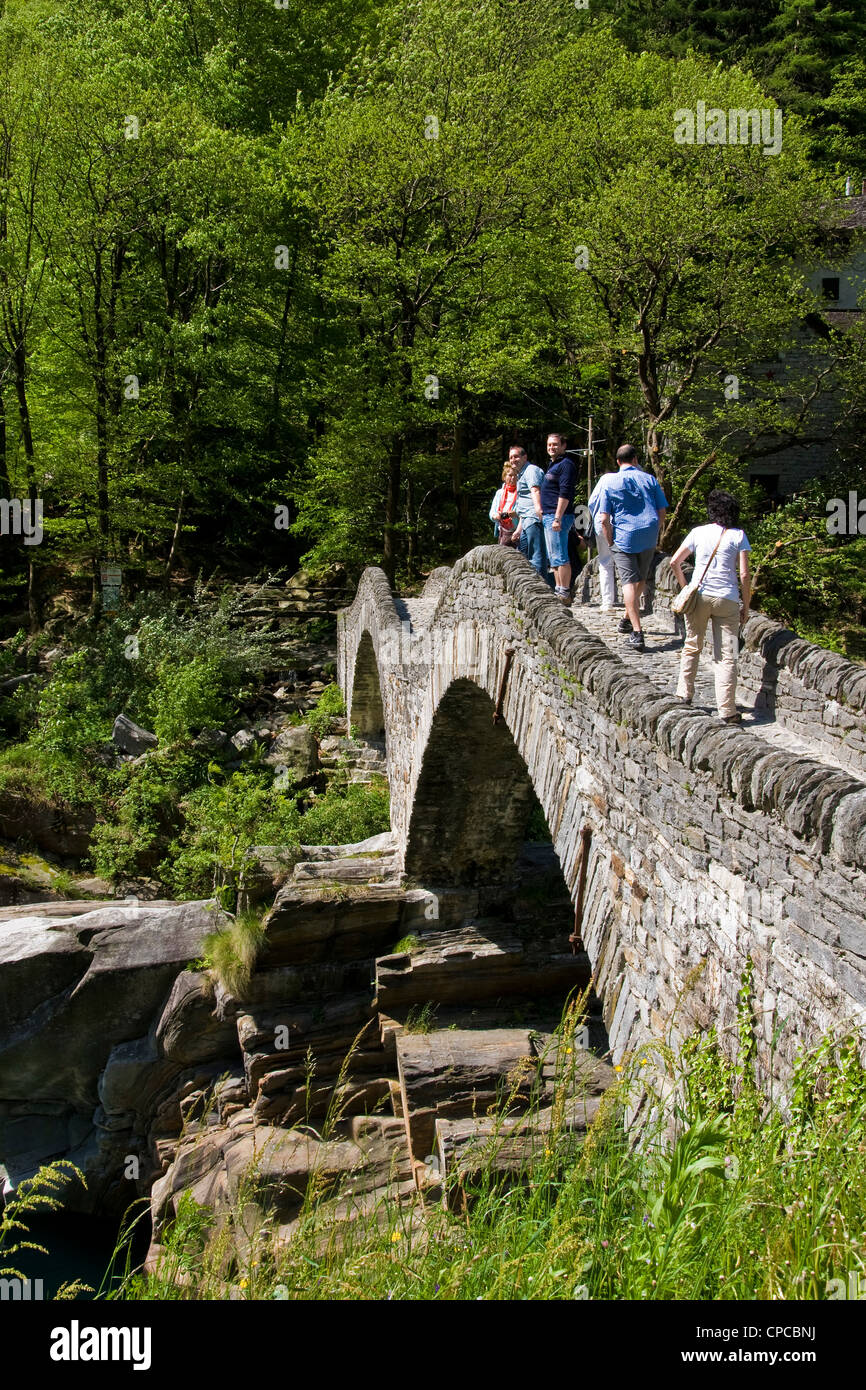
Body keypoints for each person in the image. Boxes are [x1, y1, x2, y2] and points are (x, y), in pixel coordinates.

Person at [670, 489, 751, 724]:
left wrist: (687, 587)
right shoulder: (739, 536)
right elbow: (744, 575)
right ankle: (727, 710)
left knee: (692, 644)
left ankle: (684, 694)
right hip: (728, 599)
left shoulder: (698, 532)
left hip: (701, 595)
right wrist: (745, 604)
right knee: (728, 655)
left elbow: (676, 562)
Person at [596, 444, 668, 651]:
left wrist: (610, 541)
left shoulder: (610, 481)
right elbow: (661, 510)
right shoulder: (649, 479)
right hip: (648, 533)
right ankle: (627, 618)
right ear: (636, 459)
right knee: (641, 578)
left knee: (629, 582)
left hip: (624, 536)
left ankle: (637, 632)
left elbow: (603, 518)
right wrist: (655, 530)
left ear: (618, 462)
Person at [541, 431, 577, 605]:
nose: (551, 447)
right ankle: (558, 590)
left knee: (560, 555)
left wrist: (557, 518)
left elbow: (565, 492)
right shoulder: (553, 465)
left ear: (563, 446)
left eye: (555, 444)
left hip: (558, 516)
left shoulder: (566, 465)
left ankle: (564, 591)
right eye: (549, 444)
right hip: (549, 516)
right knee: (554, 556)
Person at [510, 444, 553, 587]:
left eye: (516, 456)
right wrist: (518, 529)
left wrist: (538, 510)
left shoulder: (531, 470)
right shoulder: (521, 473)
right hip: (527, 520)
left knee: (537, 556)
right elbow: (524, 505)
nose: (513, 460)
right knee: (525, 557)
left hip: (534, 519)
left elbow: (535, 491)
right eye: (511, 457)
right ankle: (530, 587)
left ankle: (542, 590)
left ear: (524, 457)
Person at [588, 467, 618, 611]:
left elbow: (592, 502)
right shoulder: (633, 478)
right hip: (624, 525)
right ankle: (633, 602)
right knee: (628, 563)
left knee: (605, 562)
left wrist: (596, 519)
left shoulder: (605, 479)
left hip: (603, 524)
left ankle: (607, 602)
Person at [489, 463, 519, 545]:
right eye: (510, 475)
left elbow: (525, 512)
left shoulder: (521, 492)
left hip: (518, 531)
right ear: (504, 477)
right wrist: (496, 516)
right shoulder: (500, 493)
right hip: (503, 532)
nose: (513, 478)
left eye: (515, 475)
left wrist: (516, 514)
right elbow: (492, 513)